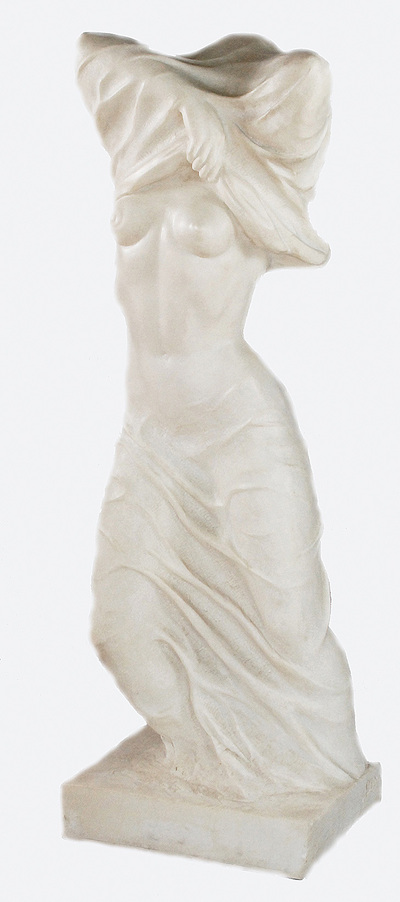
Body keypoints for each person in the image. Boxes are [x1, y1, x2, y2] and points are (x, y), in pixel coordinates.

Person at [77, 32, 367, 799]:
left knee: (289, 625)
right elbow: (94, 54)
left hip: (237, 430)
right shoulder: (148, 140)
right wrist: (192, 111)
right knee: (119, 629)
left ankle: (311, 765)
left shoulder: (265, 192)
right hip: (152, 437)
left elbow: (306, 241)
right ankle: (197, 753)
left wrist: (226, 160)